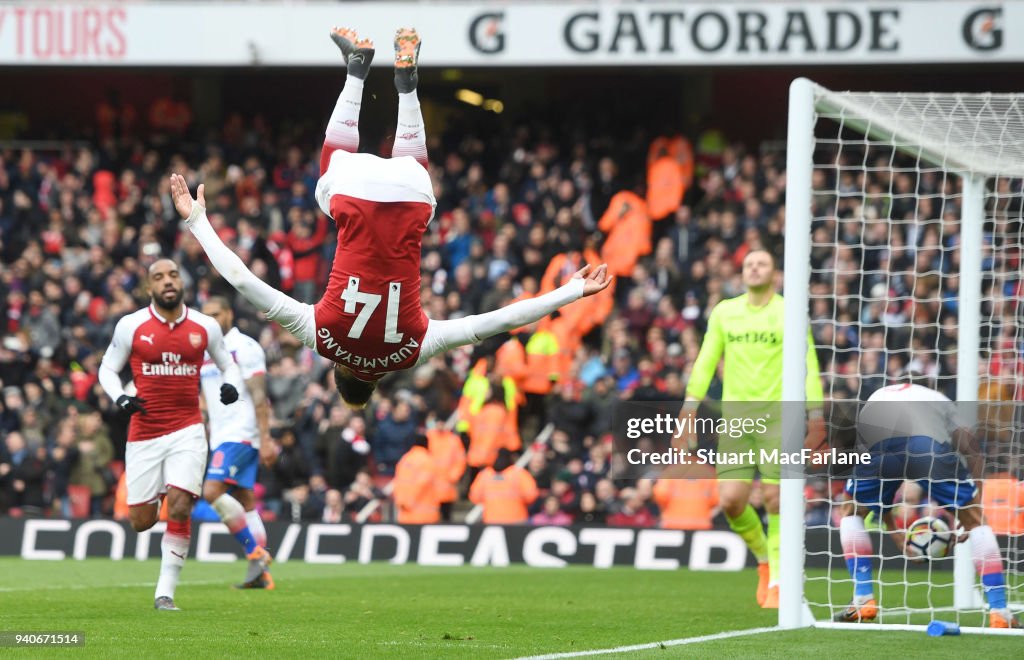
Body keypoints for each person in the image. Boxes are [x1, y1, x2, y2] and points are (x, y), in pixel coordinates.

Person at [169, 26, 612, 409]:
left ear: (373, 379)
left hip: (411, 197)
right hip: (353, 194)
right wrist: (198, 221)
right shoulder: (320, 337)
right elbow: (245, 282)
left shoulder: (412, 351)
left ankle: (407, 87)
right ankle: (357, 72)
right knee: (329, 177)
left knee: (413, 175)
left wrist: (573, 291)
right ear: (341, 367)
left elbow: (497, 322)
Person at [679, 249, 824, 608]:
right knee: (730, 501)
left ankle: (777, 578)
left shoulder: (789, 312)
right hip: (738, 421)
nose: (754, 267)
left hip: (780, 418)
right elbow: (705, 360)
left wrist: (817, 416)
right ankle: (763, 558)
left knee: (776, 500)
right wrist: (689, 408)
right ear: (741, 273)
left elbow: (809, 361)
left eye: (761, 263)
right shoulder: (726, 312)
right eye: (748, 264)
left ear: (774, 273)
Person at [98, 258, 243, 611]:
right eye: (159, 277)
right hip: (144, 432)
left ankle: (165, 593)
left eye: (173, 275)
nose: (167, 281)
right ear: (150, 288)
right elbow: (107, 368)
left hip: (188, 429)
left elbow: (228, 364)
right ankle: (165, 486)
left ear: (182, 283)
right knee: (141, 521)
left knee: (180, 505)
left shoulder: (204, 326)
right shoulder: (131, 326)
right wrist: (120, 397)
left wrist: (229, 386)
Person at [834, 381, 1021, 628]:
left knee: (850, 511)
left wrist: (896, 534)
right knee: (977, 523)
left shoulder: (879, 395)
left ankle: (863, 599)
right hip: (927, 443)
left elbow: (882, 488)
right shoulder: (939, 399)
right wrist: (971, 511)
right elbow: (973, 450)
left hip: (879, 442)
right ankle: (999, 612)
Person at [198, 296, 275, 590]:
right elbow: (206, 392)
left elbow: (259, 396)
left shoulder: (245, 348)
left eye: (216, 313)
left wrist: (266, 438)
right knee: (246, 500)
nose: (212, 320)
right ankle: (259, 575)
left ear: (229, 313)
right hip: (220, 434)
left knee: (212, 490)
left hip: (241, 433)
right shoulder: (206, 352)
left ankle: (255, 552)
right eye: (207, 316)